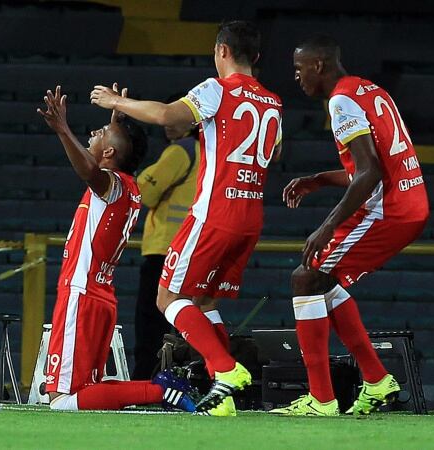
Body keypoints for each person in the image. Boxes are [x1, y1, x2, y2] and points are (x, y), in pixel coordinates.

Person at [90, 20, 283, 415]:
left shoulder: (216, 89)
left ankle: (227, 369)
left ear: (222, 51)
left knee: (168, 298)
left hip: (215, 214)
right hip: (250, 217)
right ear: (257, 57)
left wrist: (117, 103)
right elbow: (274, 154)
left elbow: (165, 115)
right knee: (205, 301)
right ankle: (222, 394)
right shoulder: (273, 102)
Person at [270, 34, 429, 416]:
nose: (296, 77)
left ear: (319, 65)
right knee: (322, 281)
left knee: (304, 278)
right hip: (407, 201)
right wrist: (322, 179)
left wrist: (325, 226)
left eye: (298, 68)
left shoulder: (341, 101)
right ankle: (376, 381)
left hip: (388, 211)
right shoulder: (368, 90)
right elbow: (373, 166)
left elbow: (370, 172)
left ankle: (321, 399)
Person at [37, 85, 196, 412]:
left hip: (81, 294)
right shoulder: (128, 186)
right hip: (99, 296)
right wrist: (115, 124)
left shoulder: (109, 182)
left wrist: (62, 129)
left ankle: (159, 392)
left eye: (100, 133)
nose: (92, 134)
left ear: (109, 154)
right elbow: (106, 161)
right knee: (88, 389)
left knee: (62, 401)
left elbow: (91, 170)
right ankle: (161, 388)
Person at [132, 97, 199, 380]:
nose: (168, 123)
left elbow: (144, 192)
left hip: (164, 249)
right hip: (190, 248)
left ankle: (146, 381)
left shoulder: (180, 151)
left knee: (151, 323)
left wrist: (139, 175)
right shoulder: (206, 151)